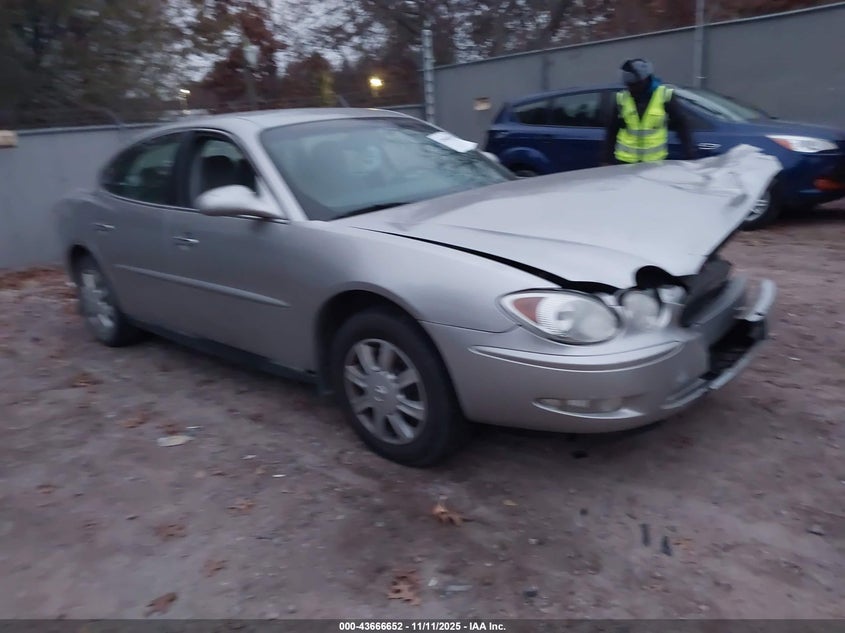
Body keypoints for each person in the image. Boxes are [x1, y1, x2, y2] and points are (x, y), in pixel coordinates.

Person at [602, 58, 695, 165]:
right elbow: (612, 131)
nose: (629, 86)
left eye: (632, 81)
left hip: (654, 163)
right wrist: (606, 159)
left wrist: (690, 153)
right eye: (627, 81)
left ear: (644, 79)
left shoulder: (665, 96)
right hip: (626, 162)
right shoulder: (622, 99)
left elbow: (682, 126)